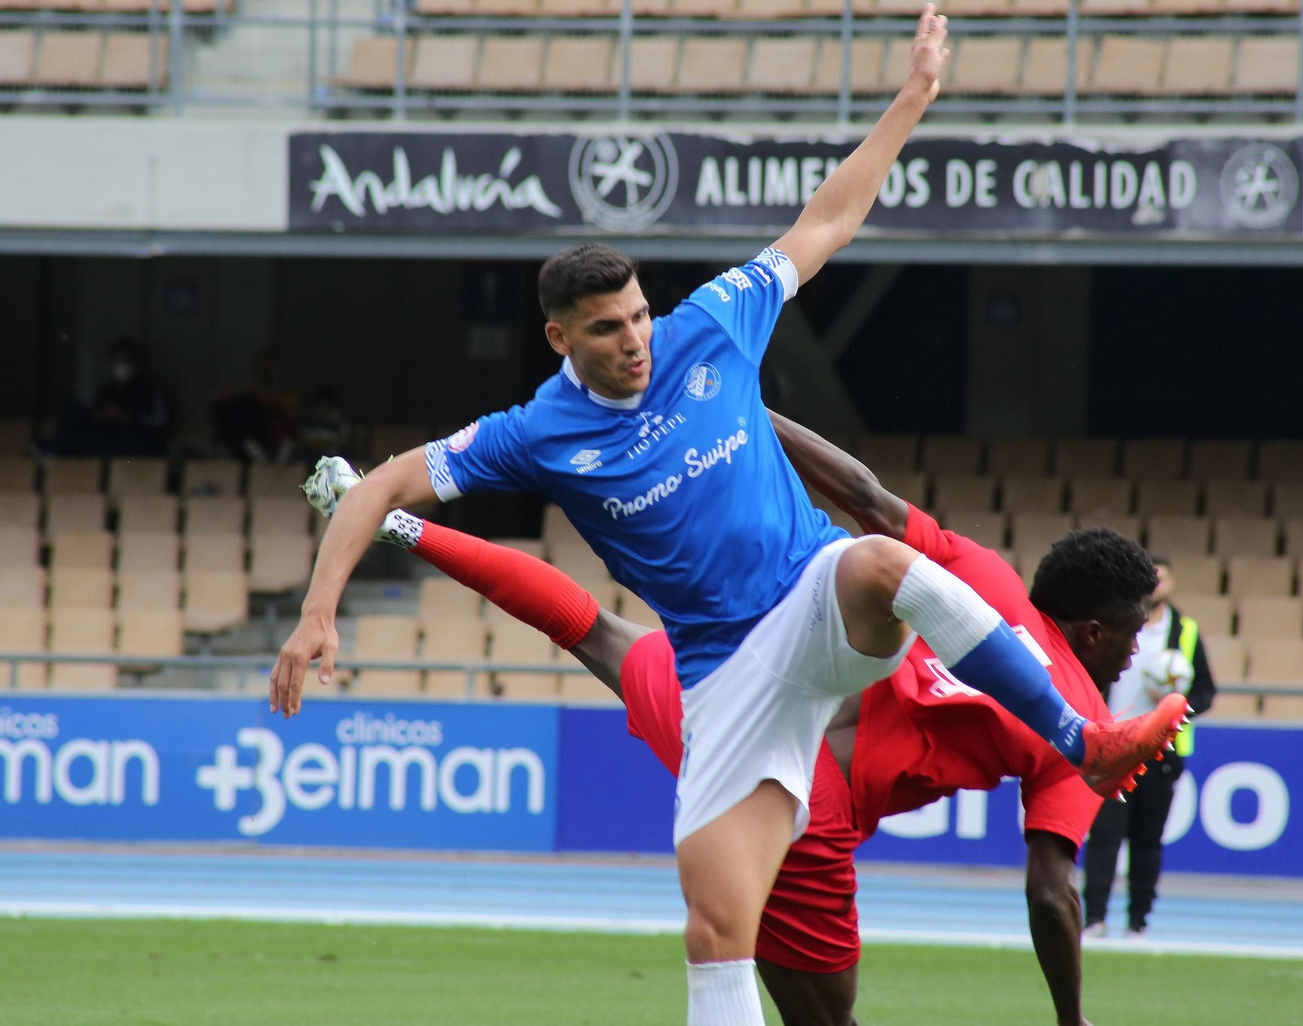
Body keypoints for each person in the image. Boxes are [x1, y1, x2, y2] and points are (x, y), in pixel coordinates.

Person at [270, 9, 1187, 1022]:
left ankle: (1075, 734)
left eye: (636, 316)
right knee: (715, 936)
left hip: (811, 605)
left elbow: (825, 220)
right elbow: (377, 485)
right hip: (724, 683)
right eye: (607, 329)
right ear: (558, 337)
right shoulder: (533, 431)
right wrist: (318, 611)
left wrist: (912, 101)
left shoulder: (711, 322)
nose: (634, 341)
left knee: (879, 561)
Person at [300, 412, 1160, 1026]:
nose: (1137, 648)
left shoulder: (986, 573)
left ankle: (401, 525)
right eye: (1132, 630)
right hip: (802, 801)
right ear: (1090, 629)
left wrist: (733, 407)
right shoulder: (1078, 712)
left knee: (595, 631)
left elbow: (858, 486)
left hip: (734, 691)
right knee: (824, 1018)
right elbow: (1051, 892)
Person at [1081, 552, 1215, 938]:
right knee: (1104, 836)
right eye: (1151, 578)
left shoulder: (1185, 632)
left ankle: (1138, 921)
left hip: (1162, 755)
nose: (1157, 585)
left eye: (1163, 578)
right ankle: (1095, 919)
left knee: (1147, 840)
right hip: (1112, 747)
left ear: (1172, 585)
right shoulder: (1115, 624)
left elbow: (1206, 690)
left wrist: (1177, 715)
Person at [48, 338, 169, 457]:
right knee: (70, 407)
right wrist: (102, 415)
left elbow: (157, 425)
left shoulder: (149, 390)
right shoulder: (106, 392)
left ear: (135, 362)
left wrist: (123, 416)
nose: (121, 365)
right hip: (103, 444)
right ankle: (53, 454)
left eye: (125, 360)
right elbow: (92, 417)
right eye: (117, 360)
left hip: (135, 447)